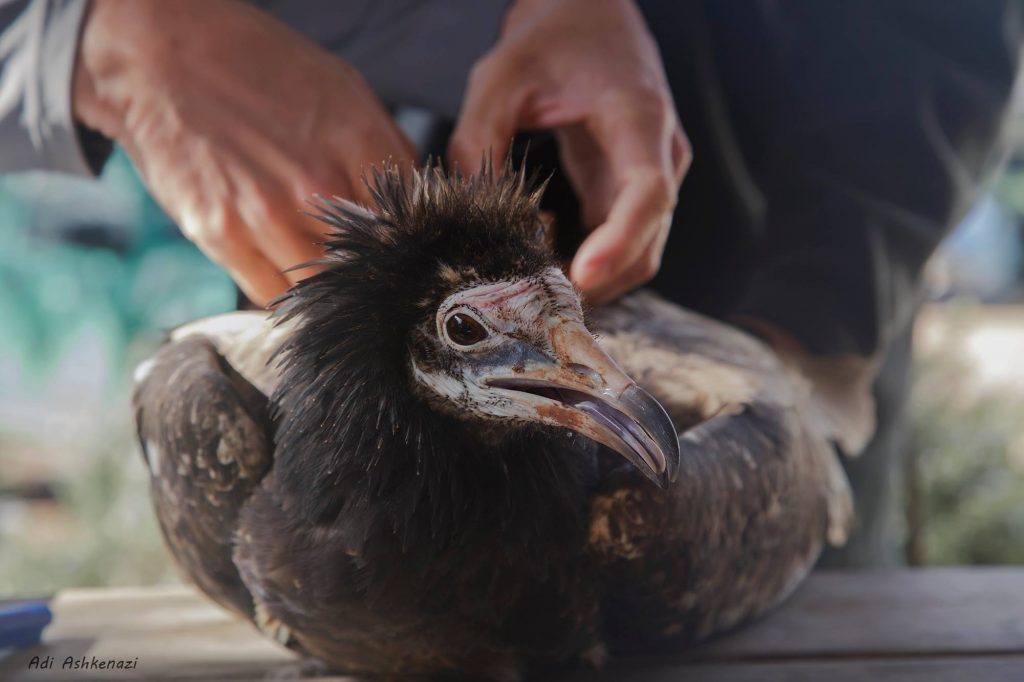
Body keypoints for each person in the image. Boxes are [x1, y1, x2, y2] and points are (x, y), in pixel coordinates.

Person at [1, 0, 1020, 565]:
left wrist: (793, 348)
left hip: (747, 300)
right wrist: (83, 40)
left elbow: (936, 29)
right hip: (326, 370)